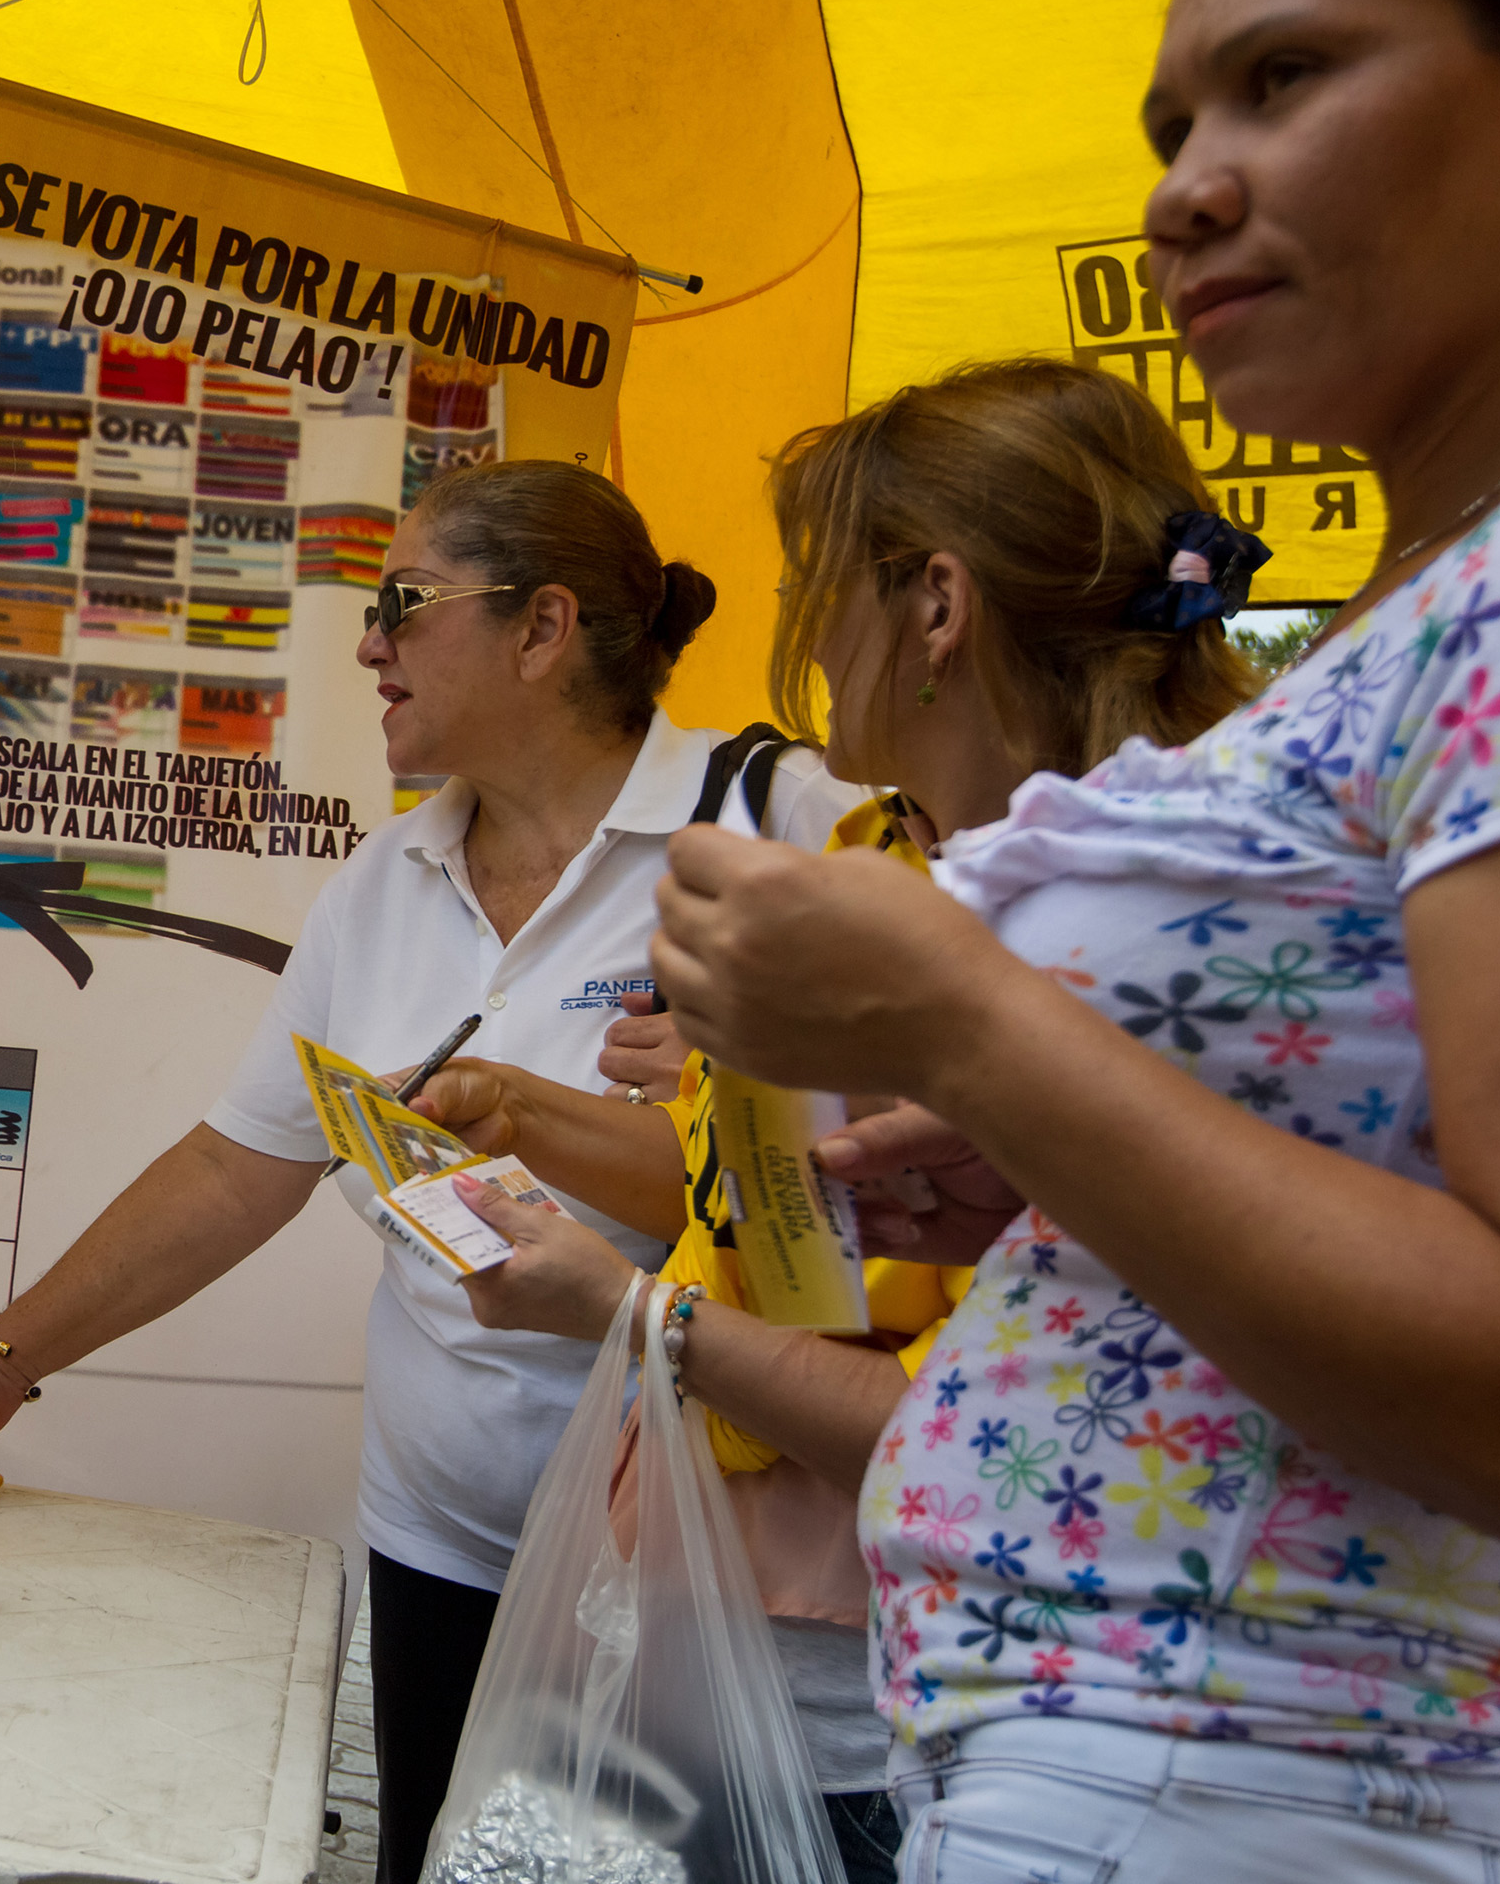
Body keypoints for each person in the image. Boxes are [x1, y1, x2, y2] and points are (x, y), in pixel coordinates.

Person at [643, 0, 1500, 1874]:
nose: (1187, 194)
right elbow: (1404, 1162)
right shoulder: (1467, 575)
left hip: (1264, 1772)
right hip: (1175, 1762)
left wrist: (969, 1020)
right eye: (1170, 131)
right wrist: (1047, 1167)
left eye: (1284, 78)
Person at [0, 458, 865, 1884]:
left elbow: (887, 1200)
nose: (368, 644)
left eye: (401, 602)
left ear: (541, 627)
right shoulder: (386, 881)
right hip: (447, 1550)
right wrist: (1, 1362)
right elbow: (234, 1168)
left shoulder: (785, 828)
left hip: (715, 1586)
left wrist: (648, 1112)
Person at [406, 359, 1261, 1881]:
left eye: (815, 578)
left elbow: (1010, 1430)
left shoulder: (1130, 932)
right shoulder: (871, 855)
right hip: (696, 1605)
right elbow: (800, 1226)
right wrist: (583, 1126)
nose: (794, 627)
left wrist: (625, 1314)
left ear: (934, 607)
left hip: (916, 1698)